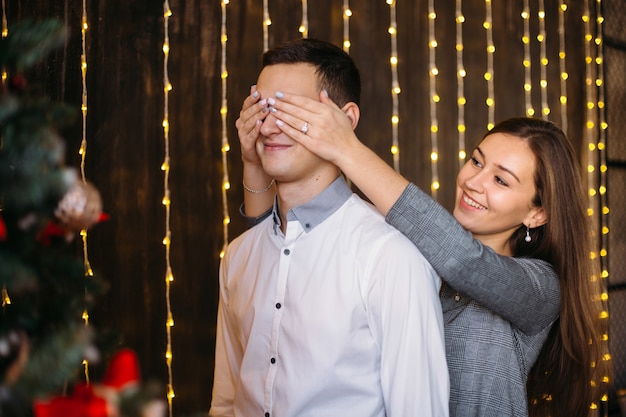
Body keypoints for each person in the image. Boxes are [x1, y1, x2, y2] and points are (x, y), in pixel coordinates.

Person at [237, 85, 609, 416]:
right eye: (476, 161)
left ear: (537, 212)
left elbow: (464, 260)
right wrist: (254, 165)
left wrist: (346, 149)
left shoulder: (541, 288)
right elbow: (279, 260)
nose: (473, 182)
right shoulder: (406, 253)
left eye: (500, 180)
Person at [209, 38, 449, 417]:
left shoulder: (390, 258)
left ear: (346, 119)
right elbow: (225, 402)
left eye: (289, 108)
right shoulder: (238, 256)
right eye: (262, 108)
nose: (270, 126)